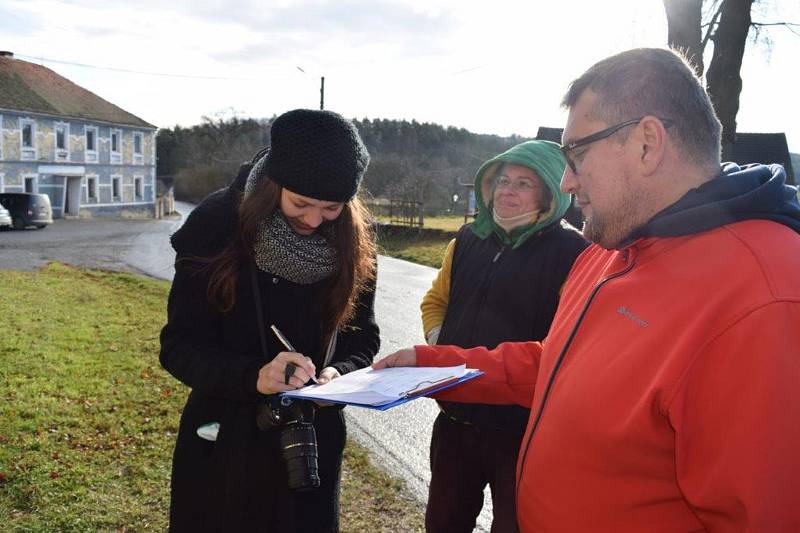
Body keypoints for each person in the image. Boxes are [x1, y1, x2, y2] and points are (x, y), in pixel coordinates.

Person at [375, 48, 800, 532]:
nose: (567, 182)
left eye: (575, 154)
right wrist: (431, 363)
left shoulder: (767, 299)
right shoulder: (613, 247)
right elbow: (556, 362)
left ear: (647, 143)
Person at [159, 109, 380, 532]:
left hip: (309, 449)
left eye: (331, 208)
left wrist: (339, 374)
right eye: (301, 204)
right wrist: (254, 376)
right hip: (224, 445)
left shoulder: (354, 242)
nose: (315, 220)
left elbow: (362, 338)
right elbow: (178, 347)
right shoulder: (216, 226)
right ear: (274, 184)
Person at [420, 140, 587, 532]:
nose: (507, 191)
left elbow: (570, 344)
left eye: (523, 183)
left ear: (549, 191)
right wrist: (442, 346)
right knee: (443, 523)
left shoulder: (574, 253)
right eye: (502, 181)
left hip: (523, 430)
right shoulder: (467, 240)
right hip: (456, 419)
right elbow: (434, 300)